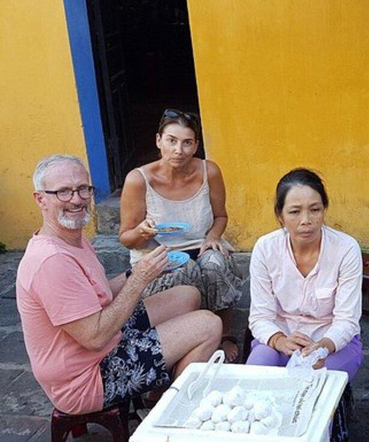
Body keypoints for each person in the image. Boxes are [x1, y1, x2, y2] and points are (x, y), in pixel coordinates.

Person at [17, 155, 221, 415]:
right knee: (209, 325)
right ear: (40, 199)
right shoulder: (51, 261)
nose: (77, 199)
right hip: (86, 379)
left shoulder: (70, 239)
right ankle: (173, 414)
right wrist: (140, 279)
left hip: (100, 345)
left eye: (83, 189)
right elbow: (95, 337)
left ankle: (157, 392)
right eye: (63, 192)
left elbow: (98, 293)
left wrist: (138, 271)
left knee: (187, 295)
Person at [119, 109, 243, 363]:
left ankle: (224, 333)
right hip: (157, 253)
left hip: (200, 245)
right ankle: (184, 338)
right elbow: (126, 238)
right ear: (158, 141)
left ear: (196, 145)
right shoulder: (139, 179)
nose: (179, 150)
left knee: (215, 264)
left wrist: (213, 237)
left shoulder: (209, 172)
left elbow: (221, 216)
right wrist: (142, 232)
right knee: (184, 269)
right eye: (172, 141)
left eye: (187, 143)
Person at [246, 168, 364, 380]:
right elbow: (260, 317)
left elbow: (347, 320)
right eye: (294, 212)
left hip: (331, 342)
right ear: (279, 215)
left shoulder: (346, 249)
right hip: (281, 338)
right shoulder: (265, 248)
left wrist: (322, 347)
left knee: (317, 386)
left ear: (324, 209)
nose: (306, 220)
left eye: (315, 210)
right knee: (256, 376)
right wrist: (279, 340)